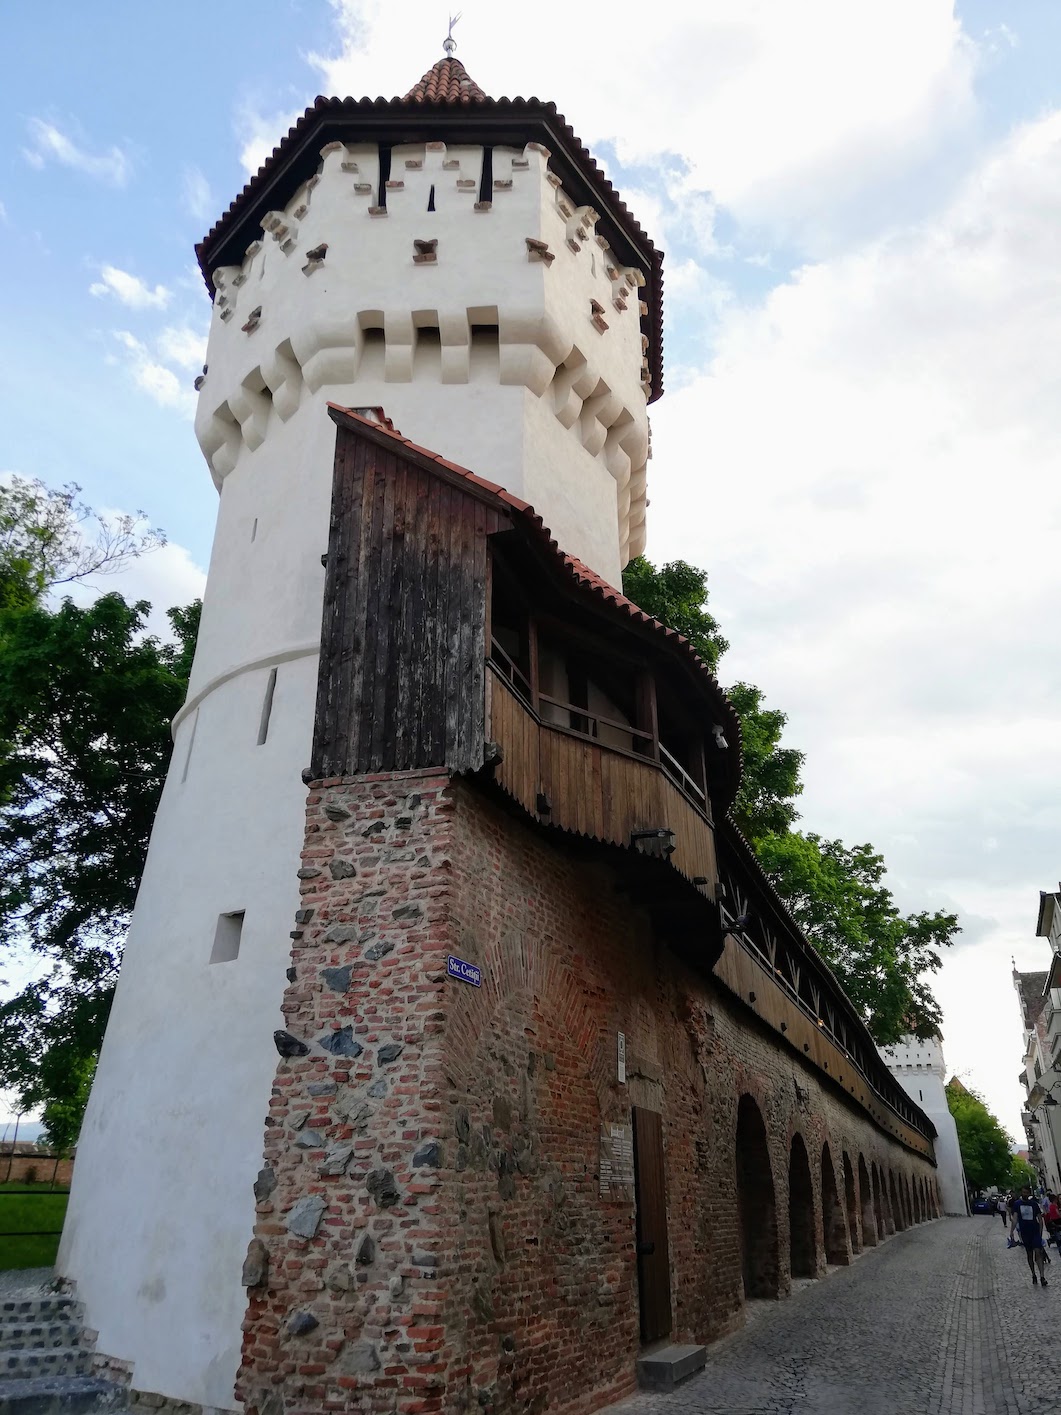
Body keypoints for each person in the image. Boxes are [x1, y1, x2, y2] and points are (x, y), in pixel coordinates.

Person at [1010, 1186, 1049, 1286]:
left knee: (1038, 1252)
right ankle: (1033, 1274)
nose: (1025, 1194)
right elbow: (1015, 1218)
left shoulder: (1034, 1204)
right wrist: (1012, 1231)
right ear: (1021, 1193)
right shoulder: (1017, 1204)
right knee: (1029, 1255)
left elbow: (1040, 1219)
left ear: (1029, 1193)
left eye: (1027, 1192)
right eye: (1024, 1192)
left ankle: (1042, 1276)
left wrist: (1040, 1232)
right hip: (1025, 1232)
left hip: (1034, 1231)